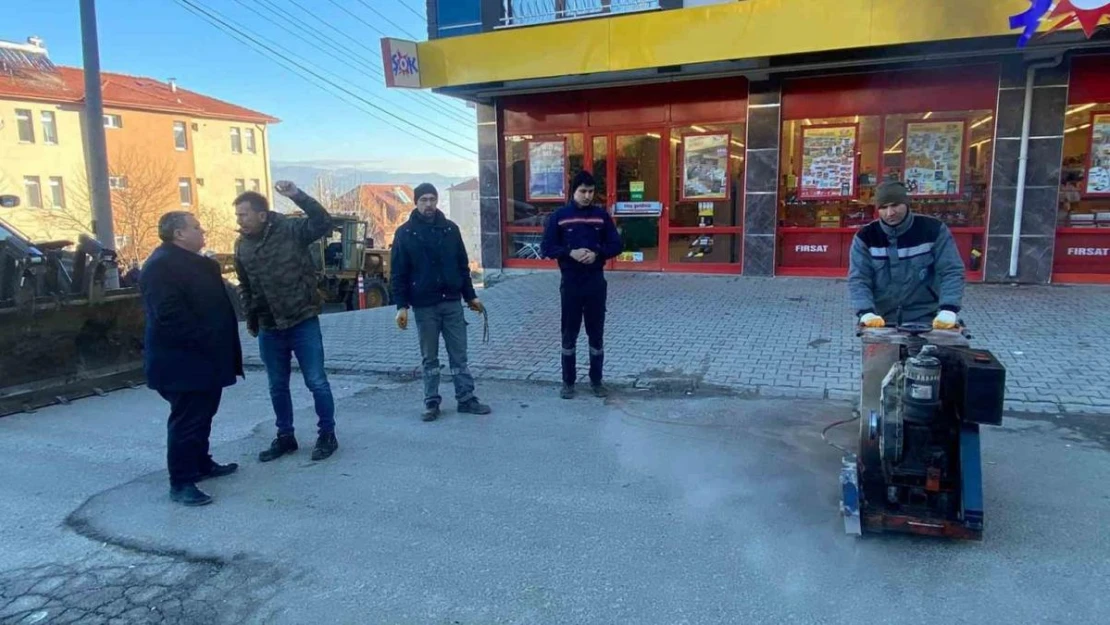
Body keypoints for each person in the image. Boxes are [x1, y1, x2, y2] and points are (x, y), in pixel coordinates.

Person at [140, 212, 243, 507]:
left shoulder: (197, 263)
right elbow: (169, 316)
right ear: (178, 234)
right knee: (186, 421)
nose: (203, 231)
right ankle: (181, 481)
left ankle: (201, 462)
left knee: (203, 416)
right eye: (196, 227)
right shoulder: (161, 267)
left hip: (206, 359)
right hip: (182, 362)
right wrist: (207, 338)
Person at [233, 181, 338, 462]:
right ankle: (285, 436)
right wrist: (250, 316)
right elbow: (244, 284)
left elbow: (323, 222)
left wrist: (296, 195)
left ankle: (327, 434)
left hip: (302, 319)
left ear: (262, 215)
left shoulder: (291, 230)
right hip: (269, 326)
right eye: (237, 216)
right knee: (276, 385)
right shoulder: (241, 245)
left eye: (243, 214)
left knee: (316, 381)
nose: (239, 220)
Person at [390, 182, 491, 422]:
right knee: (430, 358)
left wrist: (471, 296)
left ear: (437, 201)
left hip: (452, 303)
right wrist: (401, 306)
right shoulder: (405, 233)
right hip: (424, 306)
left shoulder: (450, 230)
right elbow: (398, 274)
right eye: (423, 199)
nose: (428, 204)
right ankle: (431, 402)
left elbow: (462, 267)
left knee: (459, 356)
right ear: (416, 202)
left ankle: (466, 399)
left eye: (432, 199)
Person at [540, 171, 622, 399]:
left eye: (591, 191)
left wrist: (598, 254)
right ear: (573, 191)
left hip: (595, 283)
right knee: (569, 333)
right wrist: (570, 253)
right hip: (571, 283)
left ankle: (596, 381)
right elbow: (546, 247)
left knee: (596, 334)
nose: (587, 196)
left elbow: (616, 244)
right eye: (582, 191)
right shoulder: (560, 216)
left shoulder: (601, 216)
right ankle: (568, 382)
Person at [848, 180, 965, 329]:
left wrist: (949, 309)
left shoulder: (933, 230)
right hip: (880, 320)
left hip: (926, 318)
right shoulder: (866, 237)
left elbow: (951, 270)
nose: (890, 213)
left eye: (895, 205)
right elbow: (859, 278)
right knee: (881, 353)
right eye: (883, 207)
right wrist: (866, 312)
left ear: (907, 204)